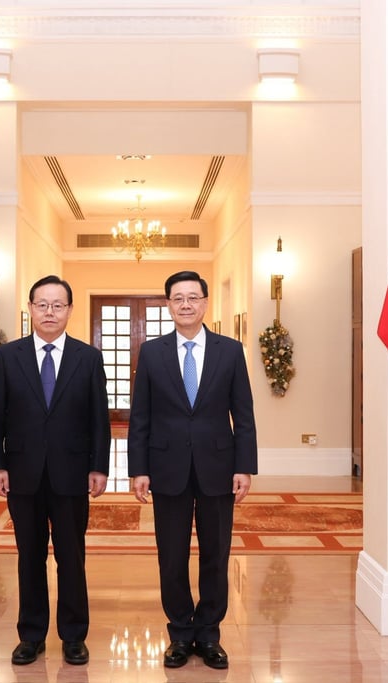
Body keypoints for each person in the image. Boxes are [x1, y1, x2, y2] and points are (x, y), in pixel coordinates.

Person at [128, 270, 258, 670]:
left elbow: (244, 414)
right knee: (172, 554)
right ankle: (180, 634)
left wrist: (244, 466)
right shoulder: (151, 352)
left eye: (193, 297)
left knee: (217, 554)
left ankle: (209, 633)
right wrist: (139, 469)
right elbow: (141, 416)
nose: (185, 304)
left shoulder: (230, 351)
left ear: (204, 303)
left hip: (219, 466)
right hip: (166, 468)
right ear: (168, 305)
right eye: (177, 298)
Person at [0, 274, 111, 666]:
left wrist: (99, 467)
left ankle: (74, 637)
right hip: (22, 472)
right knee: (29, 556)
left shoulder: (88, 358)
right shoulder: (8, 356)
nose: (50, 312)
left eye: (58, 305)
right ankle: (31, 635)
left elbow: (98, 420)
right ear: (31, 308)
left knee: (72, 557)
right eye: (43, 304)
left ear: (70, 310)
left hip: (73, 473)